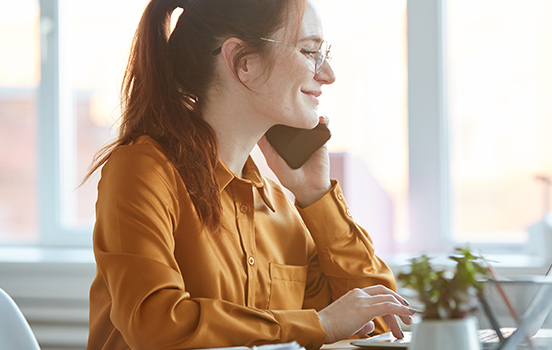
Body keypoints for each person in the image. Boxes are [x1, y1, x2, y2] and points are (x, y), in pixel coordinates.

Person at [84, 0, 415, 349]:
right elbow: (154, 324)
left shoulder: (279, 208)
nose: (328, 73)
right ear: (243, 62)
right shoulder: (142, 171)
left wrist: (317, 196)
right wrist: (319, 324)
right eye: (309, 51)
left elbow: (379, 324)